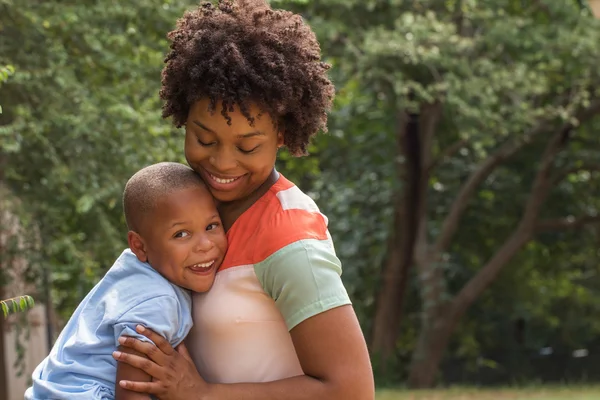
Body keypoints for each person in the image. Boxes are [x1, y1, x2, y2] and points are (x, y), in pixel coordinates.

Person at [112, 0, 375, 399]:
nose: (221, 163)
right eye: (204, 139)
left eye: (248, 147)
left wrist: (201, 393)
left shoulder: (290, 239)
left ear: (282, 135)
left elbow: (351, 390)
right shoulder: (184, 208)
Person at [25, 162, 227, 400]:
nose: (205, 245)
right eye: (180, 234)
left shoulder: (133, 270)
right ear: (139, 246)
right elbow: (132, 393)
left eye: (211, 226)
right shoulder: (156, 301)